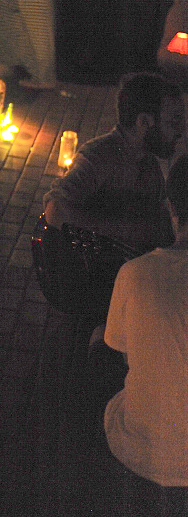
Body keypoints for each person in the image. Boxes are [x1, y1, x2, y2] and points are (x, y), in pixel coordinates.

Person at [102, 152, 188, 507]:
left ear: (171, 208)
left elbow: (126, 355)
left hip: (141, 449)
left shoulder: (136, 273)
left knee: (100, 344)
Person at [44, 71, 185, 256]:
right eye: (174, 121)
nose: (182, 131)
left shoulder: (149, 164)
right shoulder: (99, 155)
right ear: (144, 121)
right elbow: (55, 208)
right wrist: (124, 231)